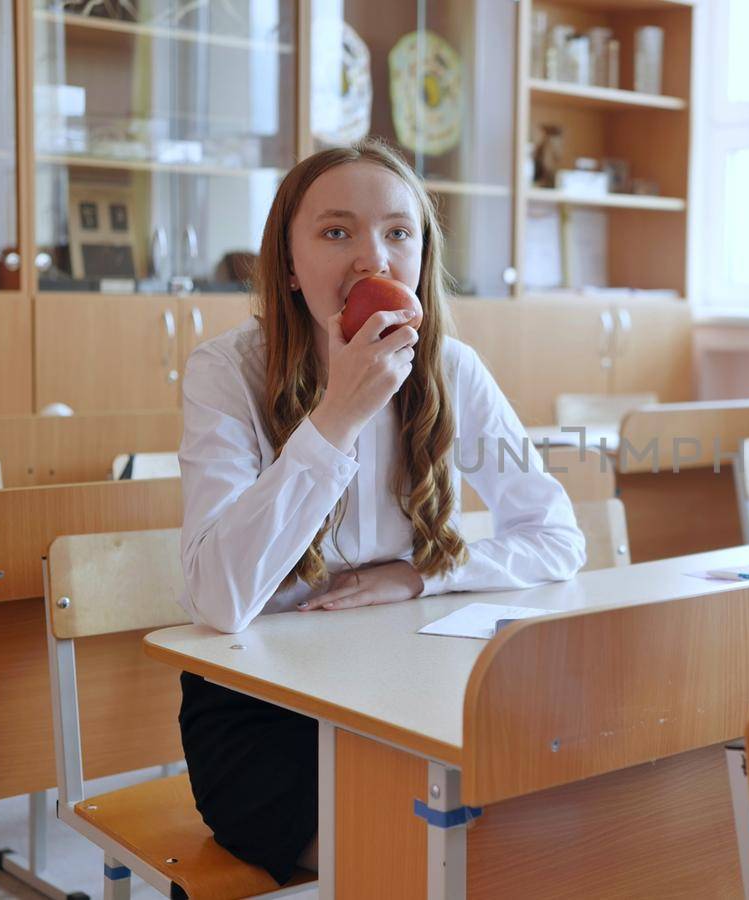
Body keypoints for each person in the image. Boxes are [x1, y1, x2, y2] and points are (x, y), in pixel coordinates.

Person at [175, 138, 586, 883]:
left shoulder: (453, 369)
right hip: (265, 718)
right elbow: (218, 599)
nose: (375, 259)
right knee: (424, 858)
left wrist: (422, 574)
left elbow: (557, 537)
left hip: (411, 689)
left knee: (544, 822)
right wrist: (336, 416)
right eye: (337, 232)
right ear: (291, 267)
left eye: (399, 233)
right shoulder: (224, 373)